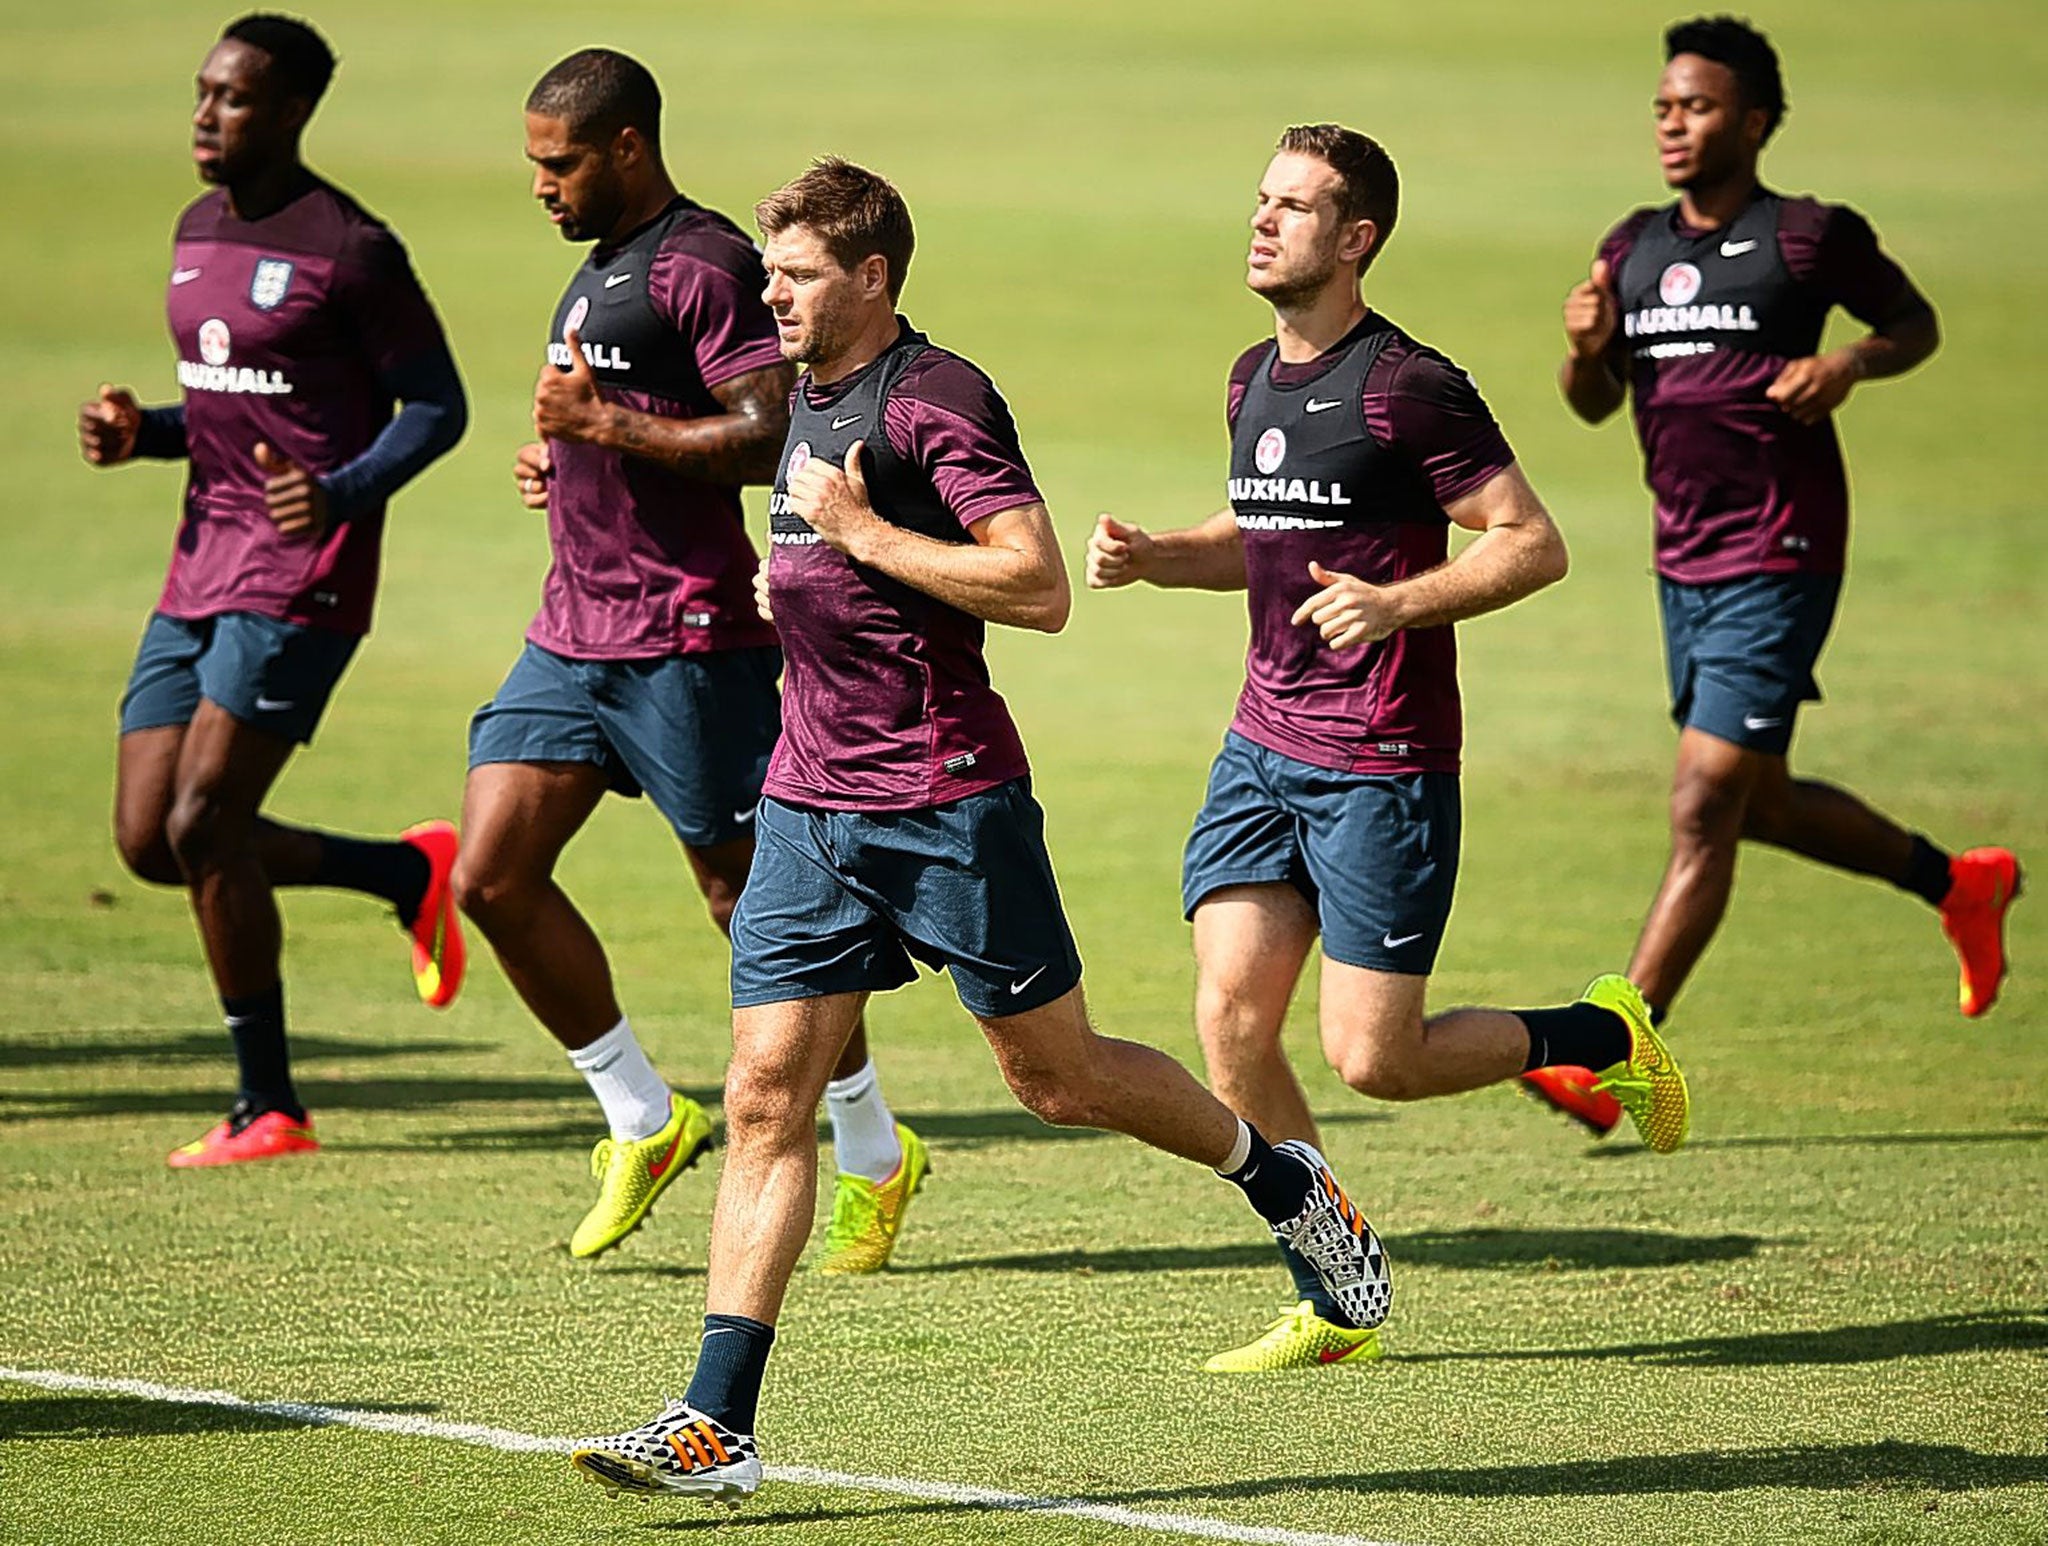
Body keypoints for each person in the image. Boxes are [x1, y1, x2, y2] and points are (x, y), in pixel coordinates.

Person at [568, 158, 1389, 1502]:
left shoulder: (937, 397)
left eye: (798, 274)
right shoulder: (806, 395)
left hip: (946, 798)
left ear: (875, 276)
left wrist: (861, 530)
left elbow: (1038, 583)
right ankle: (716, 1420)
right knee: (767, 1092)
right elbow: (811, 552)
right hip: (807, 800)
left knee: (1055, 1079)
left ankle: (1284, 1179)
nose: (768, 292)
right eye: (766, 272)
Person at [1084, 124, 1691, 1373]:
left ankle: (1600, 1038)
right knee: (1232, 1026)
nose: (1261, 221)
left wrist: (1397, 601)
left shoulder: (1407, 384)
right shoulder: (1252, 373)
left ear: (1354, 239)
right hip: (1260, 747)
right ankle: (1335, 1285)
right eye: (1259, 198)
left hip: (1381, 764)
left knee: (1376, 1057)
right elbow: (1261, 540)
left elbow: (1529, 539)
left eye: (1293, 207)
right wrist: (1156, 558)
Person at [453, 49, 921, 1264]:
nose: (541, 186)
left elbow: (766, 435)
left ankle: (871, 1146)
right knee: (488, 876)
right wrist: (565, 460)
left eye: (558, 164)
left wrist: (604, 426)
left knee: (750, 905)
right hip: (570, 629)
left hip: (685, 634)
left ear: (624, 147)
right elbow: (616, 421)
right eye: (531, 165)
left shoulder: (702, 262)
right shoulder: (598, 270)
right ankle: (640, 1117)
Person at [1534, 15, 2021, 1135]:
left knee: (1702, 799)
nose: (1671, 123)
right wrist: (1581, 345)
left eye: (1695, 106)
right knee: (1757, 802)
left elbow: (1913, 321)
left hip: (1781, 545)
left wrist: (1845, 361)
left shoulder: (1806, 238)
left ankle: (1610, 1047)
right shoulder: (1631, 247)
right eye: (1661, 106)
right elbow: (1595, 402)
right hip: (1681, 560)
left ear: (1753, 121)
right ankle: (1959, 884)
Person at [77, 13, 469, 1169]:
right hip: (198, 564)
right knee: (152, 839)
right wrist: (140, 434)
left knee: (206, 823)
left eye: (234, 98)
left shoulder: (352, 248)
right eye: (201, 93)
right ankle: (405, 870)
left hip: (303, 572)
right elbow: (224, 407)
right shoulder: (197, 227)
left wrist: (338, 494)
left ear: (292, 110)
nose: (206, 115)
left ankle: (271, 1105)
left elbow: (438, 407)